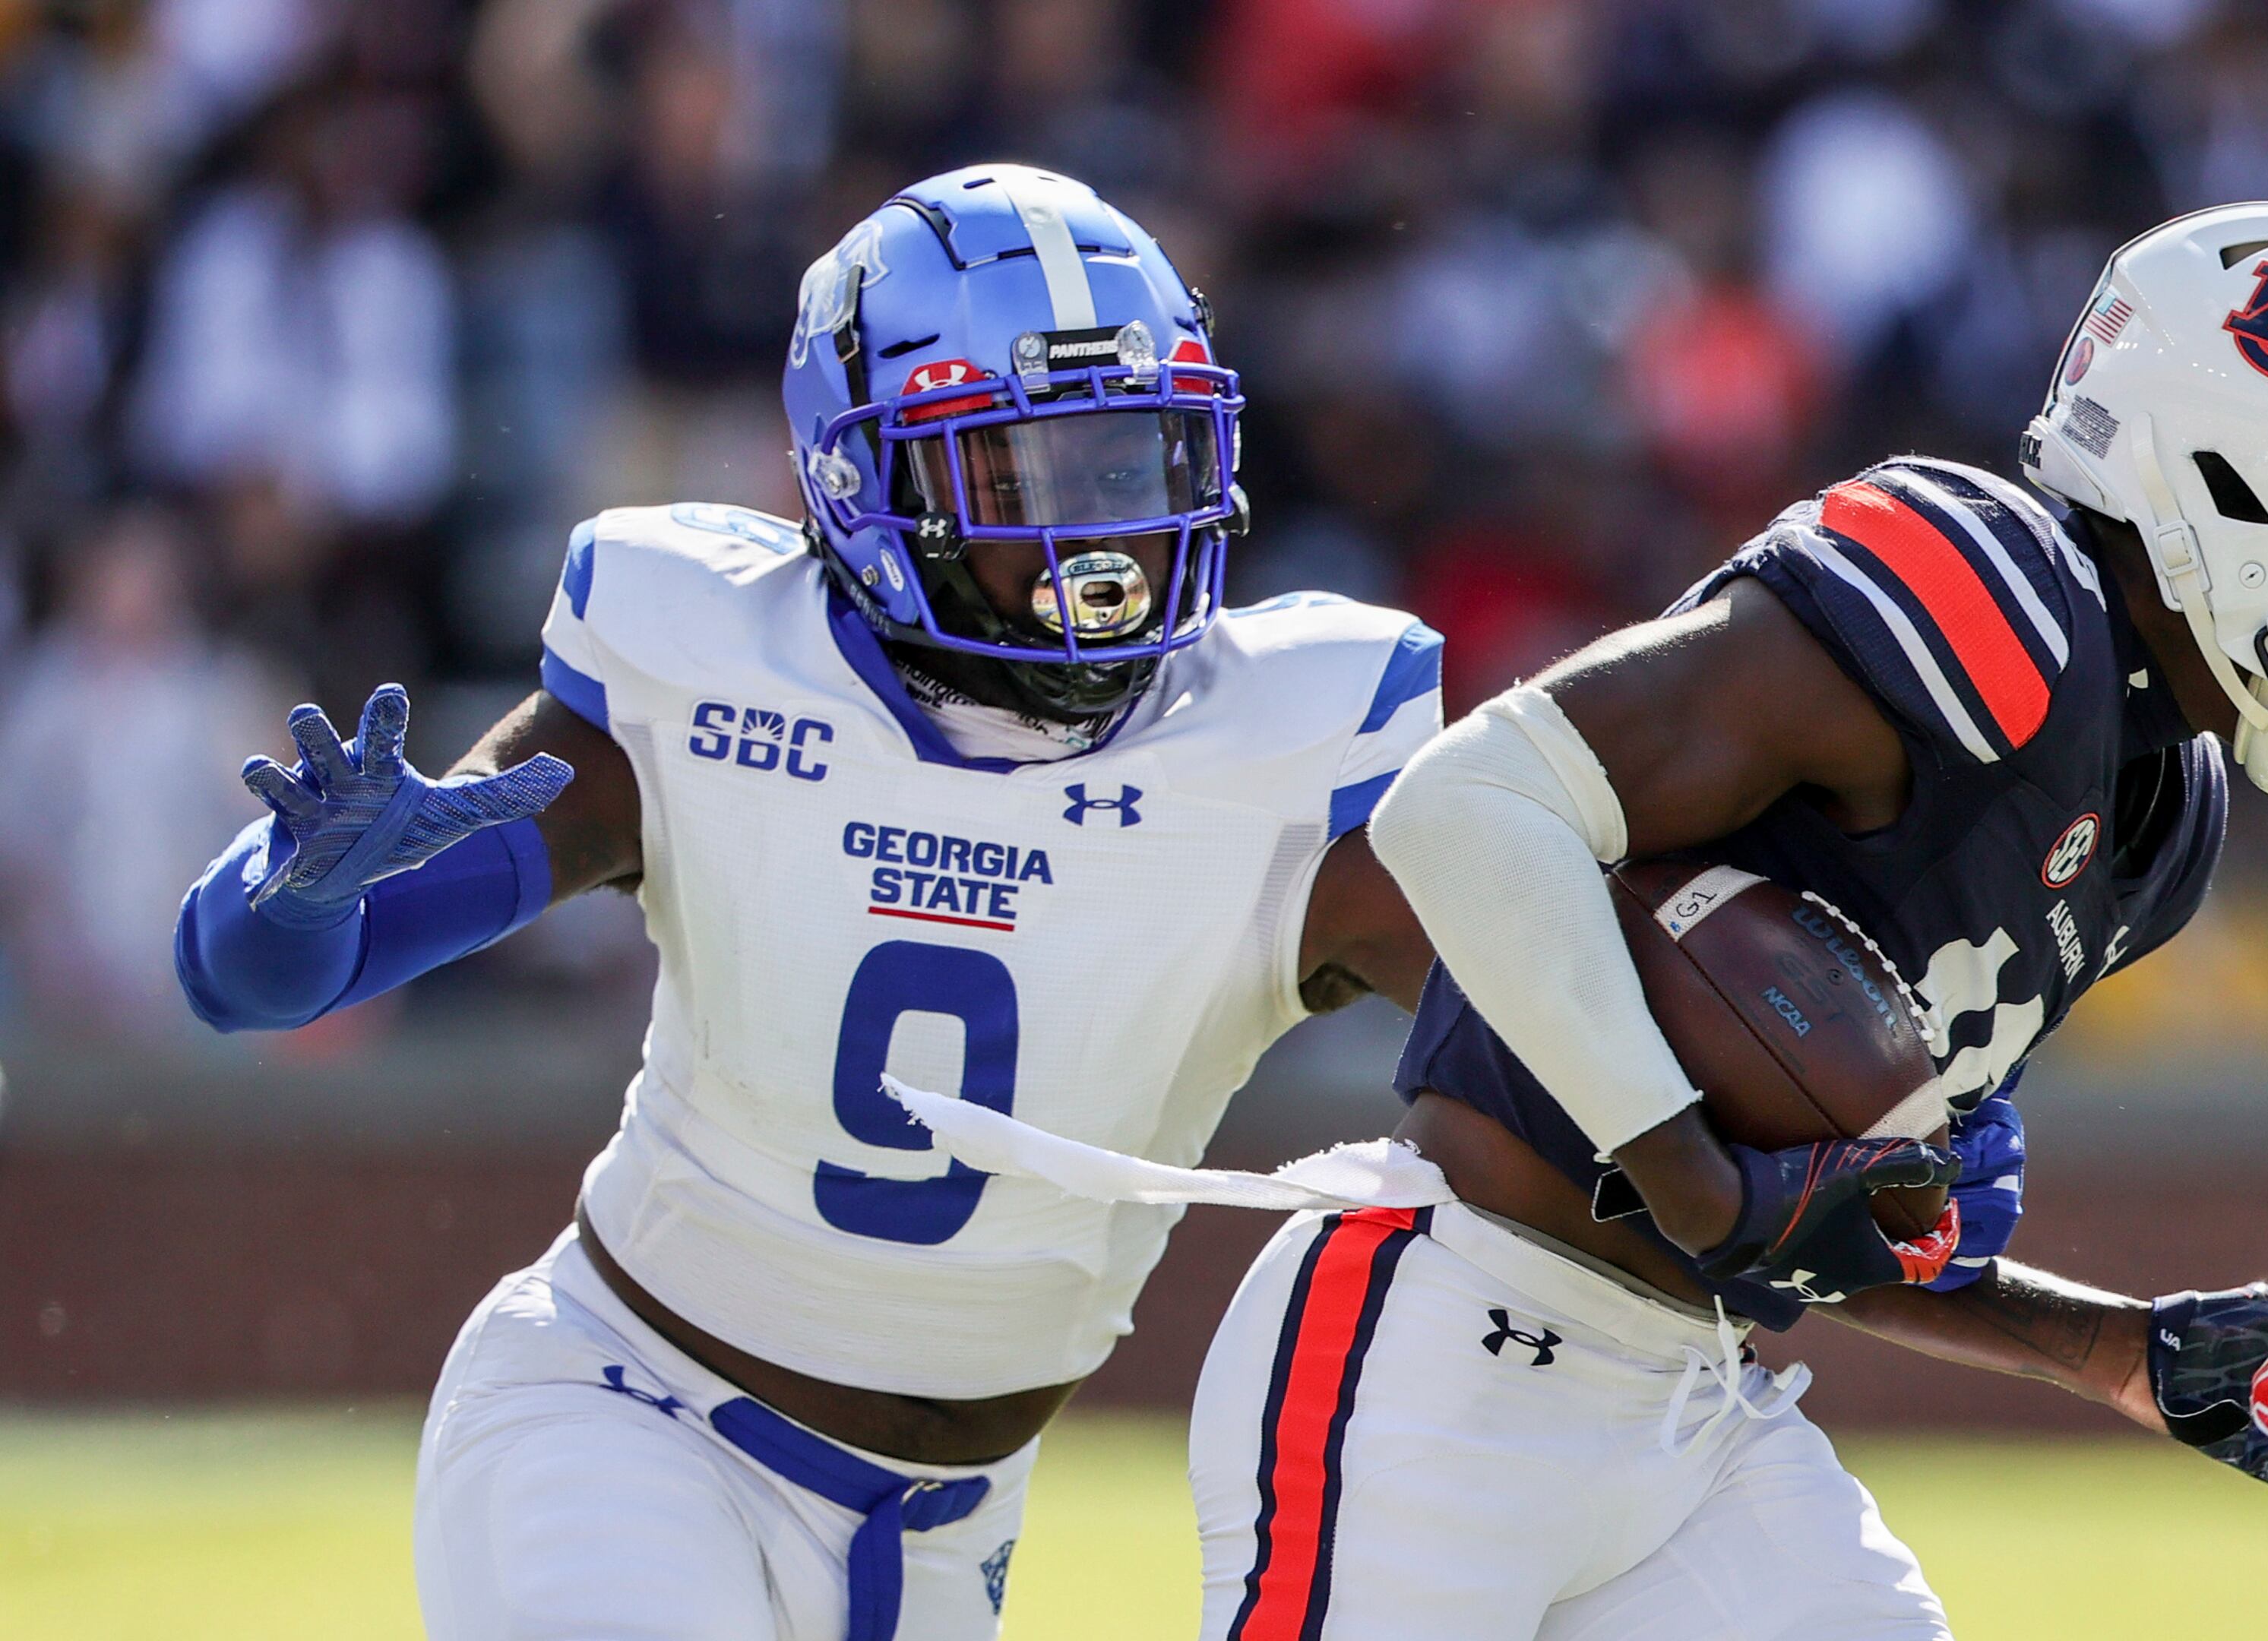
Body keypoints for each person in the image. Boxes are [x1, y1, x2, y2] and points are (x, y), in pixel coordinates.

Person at [1174, 201, 2268, 1639]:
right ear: (2246, 485)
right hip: (1441, 1347)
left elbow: (1818, 1225)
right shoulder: (1988, 603)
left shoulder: (2164, 818)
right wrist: (1691, 1176)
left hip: (1694, 1409)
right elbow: (1464, 806)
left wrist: (2130, 1356)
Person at [170, 165, 1442, 1641]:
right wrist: (292, 896)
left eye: (1135, 462)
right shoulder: (711, 676)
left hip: (948, 1533)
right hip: (628, 1418)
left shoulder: (1285, 760)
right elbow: (246, 981)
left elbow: (1567, 1037)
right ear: (864, 485)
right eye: (1023, 475)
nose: (1103, 539)